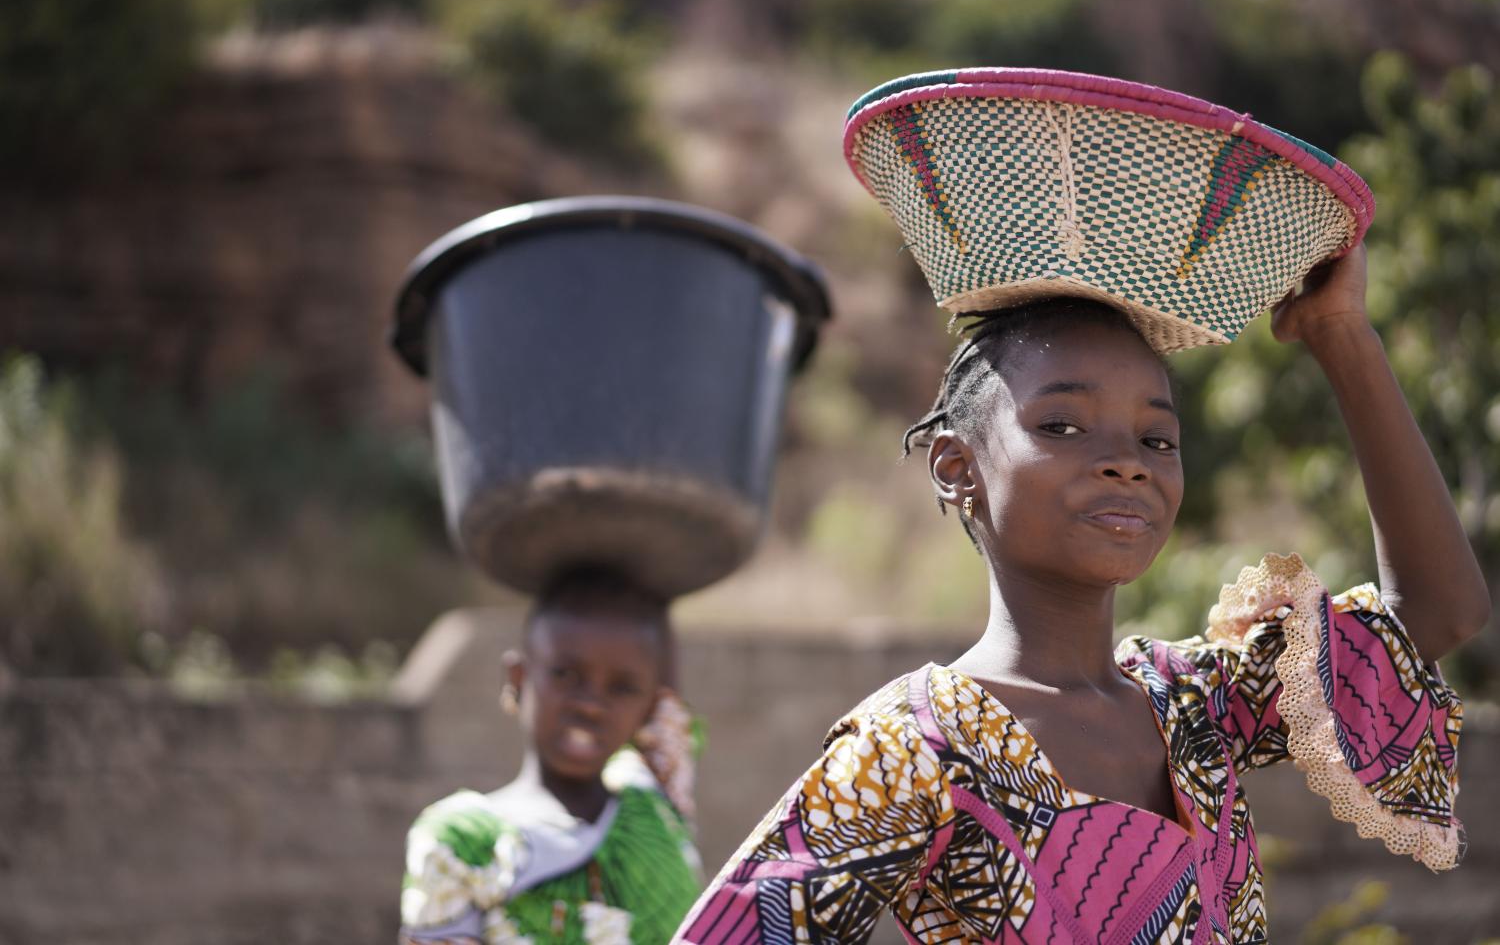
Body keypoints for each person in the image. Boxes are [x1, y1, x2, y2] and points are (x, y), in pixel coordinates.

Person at [672, 246, 1489, 943]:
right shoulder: (918, 749)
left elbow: (1436, 614)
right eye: (1062, 426)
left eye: (1155, 437)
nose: (1125, 460)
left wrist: (1339, 333)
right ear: (958, 468)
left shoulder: (1197, 707)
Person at [400, 569, 702, 945]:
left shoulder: (655, 801)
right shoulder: (465, 839)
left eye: (622, 687)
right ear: (518, 678)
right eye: (566, 674)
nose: (591, 706)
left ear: (649, 708)